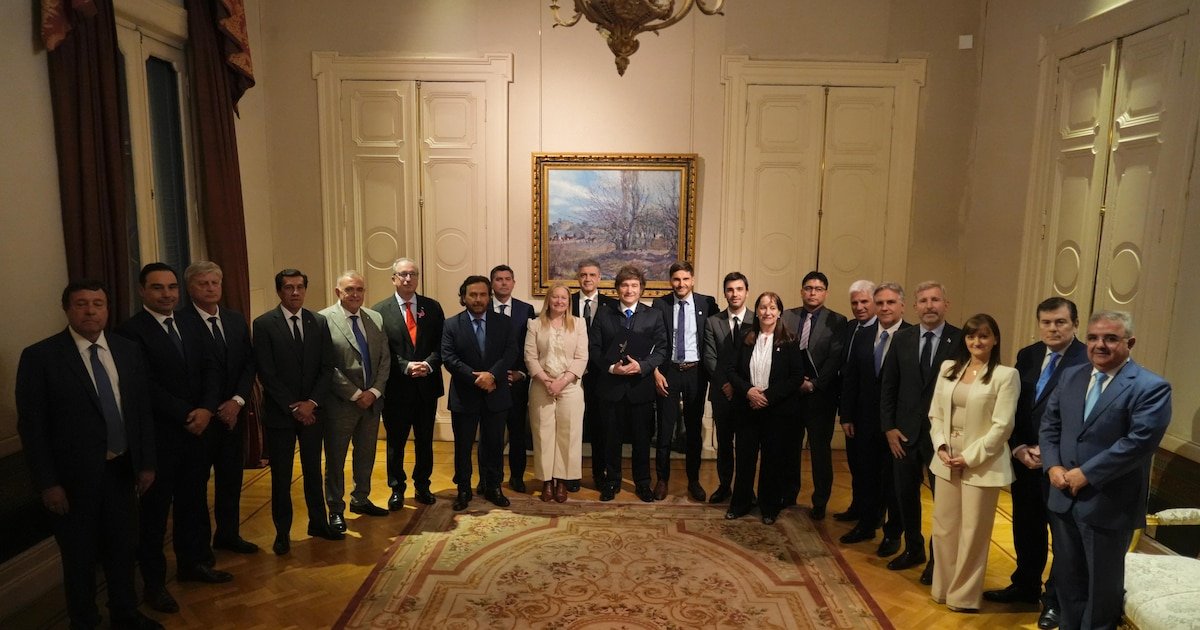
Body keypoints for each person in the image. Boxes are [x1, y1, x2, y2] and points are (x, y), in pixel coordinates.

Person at [17, 280, 162, 630]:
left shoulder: (127, 350)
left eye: (98, 304)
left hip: (121, 470)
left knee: (123, 549)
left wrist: (146, 463)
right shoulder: (41, 357)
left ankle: (125, 614)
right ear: (67, 309)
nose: (90, 311)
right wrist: (48, 483)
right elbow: (33, 429)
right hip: (72, 481)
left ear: (107, 309)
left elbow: (141, 412)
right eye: (81, 304)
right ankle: (84, 621)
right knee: (79, 557)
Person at [1041, 310, 1172, 630]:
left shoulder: (1151, 387)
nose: (1100, 345)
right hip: (1063, 499)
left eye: (1110, 338)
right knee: (1068, 582)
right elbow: (1050, 425)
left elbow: (1139, 443)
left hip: (1108, 504)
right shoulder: (1071, 376)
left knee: (1101, 590)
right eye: (1093, 337)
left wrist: (1086, 473)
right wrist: (1052, 464)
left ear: (1130, 343)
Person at [116, 263, 228, 614]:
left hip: (198, 433)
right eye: (157, 287)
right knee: (154, 516)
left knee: (193, 504)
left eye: (171, 287)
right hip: (160, 438)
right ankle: (154, 585)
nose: (167, 294)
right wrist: (186, 413)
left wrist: (207, 408)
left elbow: (211, 367)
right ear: (142, 291)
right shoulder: (130, 332)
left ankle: (192, 564)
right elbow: (143, 385)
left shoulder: (189, 323)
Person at [985, 297, 1086, 629]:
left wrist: (1050, 452)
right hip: (1024, 460)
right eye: (1046, 322)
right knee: (1026, 527)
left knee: (1062, 537)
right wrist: (1016, 447)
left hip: (1062, 466)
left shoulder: (1087, 359)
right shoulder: (1027, 355)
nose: (1052, 328)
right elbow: (1013, 406)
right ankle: (1025, 586)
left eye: (1060, 322)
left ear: (1075, 324)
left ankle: (1054, 600)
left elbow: (1085, 417)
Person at [928, 314, 1018, 612]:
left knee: (973, 532)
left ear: (995, 339)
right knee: (944, 528)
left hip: (981, 462)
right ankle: (942, 589)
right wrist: (941, 446)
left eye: (983, 336)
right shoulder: (948, 368)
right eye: (971, 336)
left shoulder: (1005, 376)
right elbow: (935, 413)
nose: (976, 341)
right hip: (946, 457)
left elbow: (1002, 427)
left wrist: (968, 457)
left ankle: (964, 596)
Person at [253, 269, 341, 556]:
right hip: (282, 414)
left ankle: (318, 523)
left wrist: (311, 403)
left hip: (313, 412)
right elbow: (266, 373)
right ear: (279, 291)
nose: (295, 292)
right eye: (289, 287)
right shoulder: (264, 324)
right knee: (281, 476)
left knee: (313, 470)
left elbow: (327, 367)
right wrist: (294, 406)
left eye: (300, 287)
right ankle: (282, 532)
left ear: (305, 289)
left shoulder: (318, 321)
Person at [880, 280, 960, 583]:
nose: (929, 306)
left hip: (943, 439)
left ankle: (938, 560)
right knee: (905, 496)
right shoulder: (902, 339)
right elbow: (889, 387)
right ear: (914, 306)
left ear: (946, 304)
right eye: (923, 300)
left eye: (935, 300)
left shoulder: (960, 340)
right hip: (904, 436)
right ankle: (913, 548)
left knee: (943, 503)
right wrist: (889, 427)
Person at [178, 261, 259, 556]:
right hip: (199, 418)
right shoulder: (180, 322)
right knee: (196, 487)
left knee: (231, 479)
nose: (210, 288)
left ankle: (228, 534)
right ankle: (199, 550)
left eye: (215, 283)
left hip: (233, 416)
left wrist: (237, 401)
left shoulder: (235, 319)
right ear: (190, 288)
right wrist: (211, 407)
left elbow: (248, 364)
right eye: (203, 283)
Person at [588, 265, 669, 502]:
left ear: (641, 289)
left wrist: (642, 366)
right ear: (617, 289)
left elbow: (662, 349)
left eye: (634, 285)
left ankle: (642, 483)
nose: (629, 290)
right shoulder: (604, 314)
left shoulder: (654, 315)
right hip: (611, 387)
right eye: (624, 285)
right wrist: (612, 368)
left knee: (642, 440)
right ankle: (612, 481)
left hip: (640, 388)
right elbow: (594, 348)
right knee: (610, 439)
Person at [318, 271, 391, 532]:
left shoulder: (375, 317)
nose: (355, 294)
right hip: (341, 404)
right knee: (336, 459)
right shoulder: (323, 320)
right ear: (338, 292)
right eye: (349, 289)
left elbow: (384, 359)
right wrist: (355, 394)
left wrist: (375, 391)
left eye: (360, 289)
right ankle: (336, 509)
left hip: (372, 402)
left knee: (366, 454)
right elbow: (326, 365)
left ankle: (361, 498)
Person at [723, 292, 804, 525]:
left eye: (772, 307)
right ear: (757, 311)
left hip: (776, 412)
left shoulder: (790, 341)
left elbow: (796, 377)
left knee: (772, 461)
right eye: (763, 307)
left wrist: (767, 397)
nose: (767, 312)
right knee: (745, 460)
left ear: (779, 312)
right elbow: (731, 370)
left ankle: (769, 507)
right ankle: (740, 504)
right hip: (747, 408)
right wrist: (749, 391)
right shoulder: (745, 337)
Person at [839, 282, 910, 550]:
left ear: (902, 305)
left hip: (898, 425)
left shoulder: (912, 336)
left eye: (890, 302)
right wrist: (846, 415)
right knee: (866, 475)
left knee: (894, 483)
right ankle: (867, 525)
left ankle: (893, 534)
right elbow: (851, 378)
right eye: (880, 303)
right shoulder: (863, 335)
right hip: (864, 420)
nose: (884, 308)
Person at [373, 258, 445, 509]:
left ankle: (423, 485)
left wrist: (428, 364)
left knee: (425, 441)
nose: (408, 279)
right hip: (396, 389)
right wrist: (405, 365)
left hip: (426, 387)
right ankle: (397, 487)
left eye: (412, 274)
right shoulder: (379, 311)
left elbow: (442, 344)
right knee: (396, 442)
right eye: (403, 274)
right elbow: (381, 351)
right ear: (393, 278)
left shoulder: (432, 307)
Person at [441, 275, 518, 511]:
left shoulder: (504, 323)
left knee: (494, 445)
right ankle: (463, 489)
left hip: (496, 394)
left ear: (489, 297)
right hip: (465, 396)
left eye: (483, 294)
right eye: (472, 295)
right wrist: (478, 378)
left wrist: (492, 375)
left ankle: (493, 486)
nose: (478, 299)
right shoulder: (451, 324)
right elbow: (449, 358)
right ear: (463, 297)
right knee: (463, 447)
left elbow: (511, 352)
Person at [780, 270, 847, 519]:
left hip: (821, 398)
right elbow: (780, 351)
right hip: (791, 395)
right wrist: (794, 382)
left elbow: (835, 359)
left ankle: (820, 502)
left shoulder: (838, 321)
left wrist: (815, 384)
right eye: (808, 288)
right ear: (801, 291)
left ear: (825, 293)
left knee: (820, 452)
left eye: (818, 289)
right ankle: (789, 494)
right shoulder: (787, 316)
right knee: (790, 448)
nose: (812, 293)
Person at [651, 261, 719, 501]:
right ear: (671, 281)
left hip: (695, 373)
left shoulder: (707, 303)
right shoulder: (660, 305)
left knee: (693, 429)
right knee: (665, 429)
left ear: (692, 280)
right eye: (676, 279)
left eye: (685, 279)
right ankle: (662, 480)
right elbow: (652, 340)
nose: (681, 284)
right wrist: (655, 371)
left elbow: (717, 334)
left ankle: (693, 480)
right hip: (668, 371)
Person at [524, 284, 589, 502]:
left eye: (564, 298)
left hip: (570, 387)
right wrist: (546, 381)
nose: (559, 301)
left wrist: (562, 382)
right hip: (541, 386)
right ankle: (546, 482)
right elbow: (530, 357)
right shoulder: (534, 324)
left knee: (568, 435)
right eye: (555, 297)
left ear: (569, 302)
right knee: (543, 435)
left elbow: (582, 357)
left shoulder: (579, 324)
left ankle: (562, 481)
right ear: (548, 300)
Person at [702, 272, 754, 504]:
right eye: (730, 290)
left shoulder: (757, 320)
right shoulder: (713, 321)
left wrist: (740, 387)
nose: (735, 294)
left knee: (746, 445)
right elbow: (710, 358)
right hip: (722, 392)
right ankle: (724, 486)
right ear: (724, 293)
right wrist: (726, 384)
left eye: (739, 289)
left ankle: (746, 489)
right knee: (724, 443)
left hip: (747, 394)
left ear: (746, 292)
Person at [488, 264, 537, 493]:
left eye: (508, 279)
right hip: (490, 382)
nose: (504, 283)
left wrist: (521, 373)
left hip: (516, 381)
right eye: (498, 279)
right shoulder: (482, 307)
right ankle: (489, 478)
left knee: (517, 433)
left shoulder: (525, 309)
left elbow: (530, 346)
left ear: (514, 283)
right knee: (491, 434)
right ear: (492, 284)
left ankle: (517, 477)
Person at [833, 279, 878, 522]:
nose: (859, 307)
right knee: (855, 464)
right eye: (854, 303)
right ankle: (857, 508)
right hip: (851, 408)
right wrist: (846, 413)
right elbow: (847, 372)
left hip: (873, 413)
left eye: (864, 301)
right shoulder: (850, 327)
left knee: (870, 468)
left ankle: (871, 517)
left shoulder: (881, 331)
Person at [571, 258, 617, 492]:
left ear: (599, 278)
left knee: (600, 428)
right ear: (577, 277)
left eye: (592, 275)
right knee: (571, 427)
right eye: (583, 275)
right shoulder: (566, 302)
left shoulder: (612, 305)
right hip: (571, 375)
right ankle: (570, 475)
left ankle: (600, 474)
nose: (587, 279)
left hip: (602, 376)